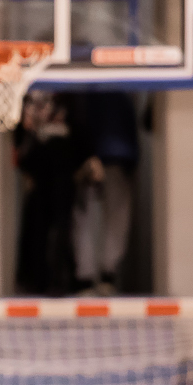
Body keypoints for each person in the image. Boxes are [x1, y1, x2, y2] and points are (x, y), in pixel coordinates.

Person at [12, 91, 86, 295]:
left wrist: (81, 162)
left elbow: (80, 128)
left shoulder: (68, 95)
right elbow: (18, 133)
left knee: (62, 225)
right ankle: (36, 280)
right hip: (37, 165)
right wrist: (24, 168)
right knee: (37, 223)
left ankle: (60, 279)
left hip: (62, 165)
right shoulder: (27, 91)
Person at [70, 91, 141, 295]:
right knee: (91, 216)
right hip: (101, 156)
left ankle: (99, 276)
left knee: (103, 216)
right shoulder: (93, 92)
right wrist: (89, 155)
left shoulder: (120, 92)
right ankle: (92, 277)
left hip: (113, 156)